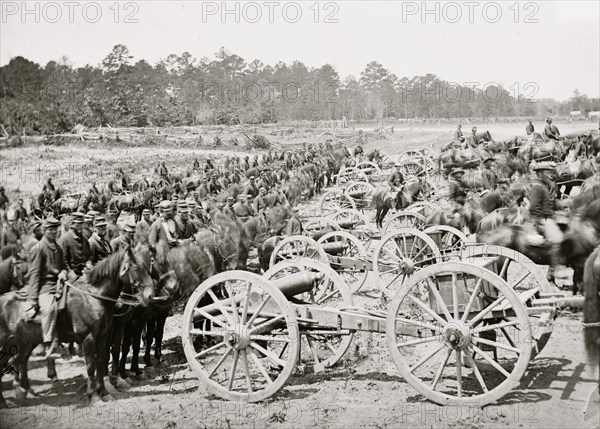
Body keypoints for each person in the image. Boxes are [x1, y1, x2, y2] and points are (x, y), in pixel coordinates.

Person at [25, 217, 67, 359]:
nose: (53, 232)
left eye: (55, 229)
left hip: (60, 284)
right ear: (44, 231)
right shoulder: (39, 248)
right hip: (45, 286)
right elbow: (34, 273)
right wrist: (33, 299)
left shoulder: (58, 246)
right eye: (50, 229)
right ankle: (49, 343)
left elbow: (64, 266)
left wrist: (63, 272)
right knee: (49, 309)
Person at [528, 162, 562, 282]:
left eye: (550, 172)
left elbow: (548, 204)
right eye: (547, 172)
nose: (550, 175)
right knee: (559, 240)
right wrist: (539, 222)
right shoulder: (537, 187)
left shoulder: (543, 186)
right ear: (541, 173)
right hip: (543, 219)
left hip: (547, 217)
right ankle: (550, 275)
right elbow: (533, 207)